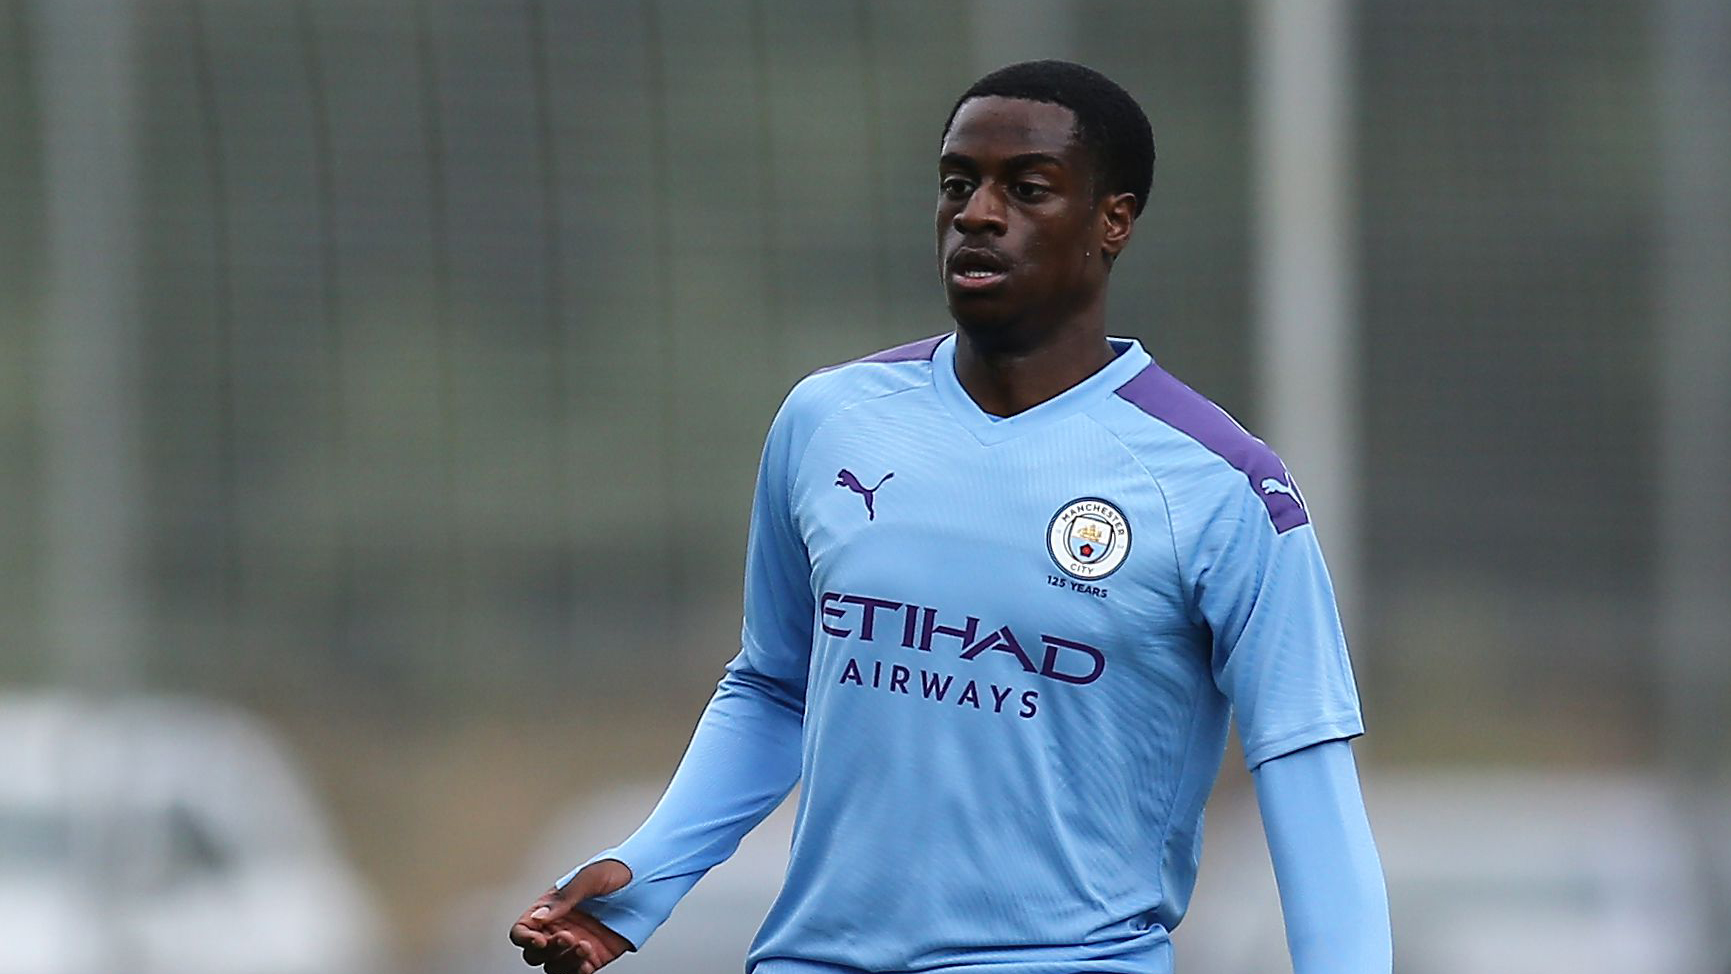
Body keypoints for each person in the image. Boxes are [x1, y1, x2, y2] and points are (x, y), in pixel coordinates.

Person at [509, 59, 1391, 974]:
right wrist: (645, 877)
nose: (976, 212)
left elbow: (1304, 779)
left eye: (1028, 188)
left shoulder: (1219, 485)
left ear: (1113, 220)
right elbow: (776, 686)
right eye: (957, 183)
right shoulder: (830, 420)